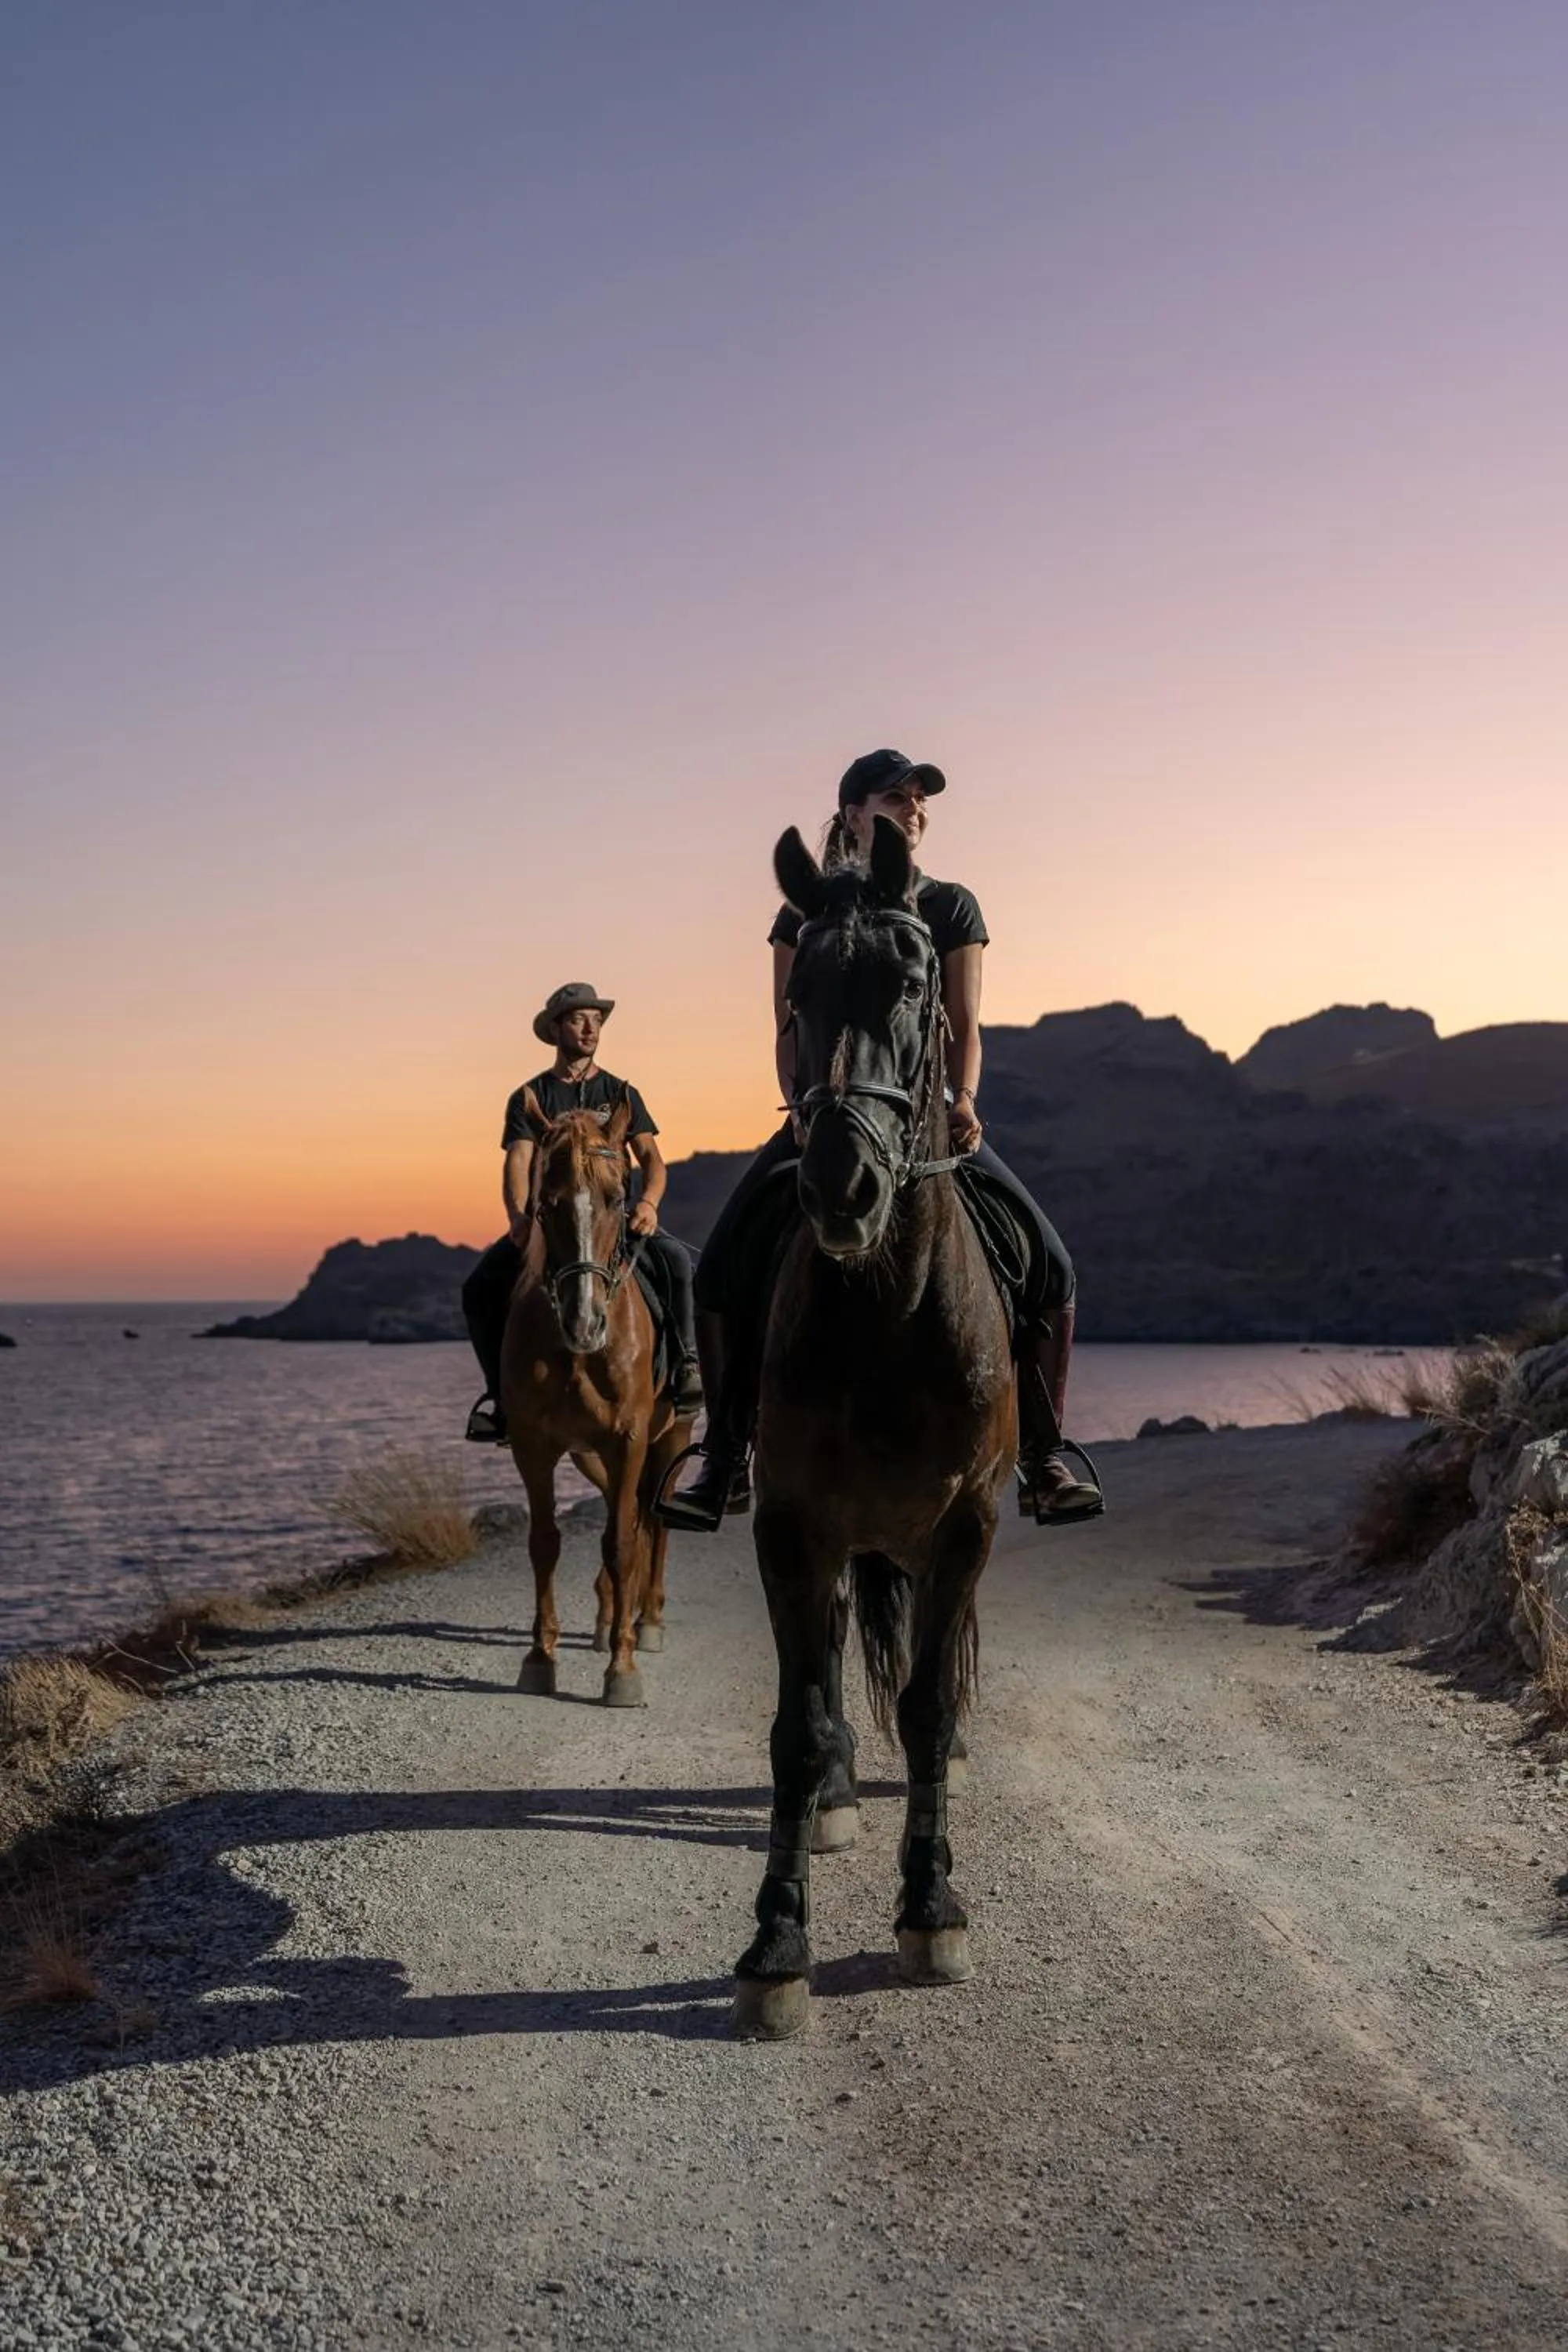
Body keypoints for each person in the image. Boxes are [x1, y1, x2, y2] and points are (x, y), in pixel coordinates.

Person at [657, 748, 1104, 1533]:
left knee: (1052, 1267)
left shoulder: (950, 906)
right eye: (896, 797)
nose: (914, 808)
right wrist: (801, 1108)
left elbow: (964, 1024)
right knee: (719, 1265)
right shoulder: (802, 912)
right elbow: (788, 1028)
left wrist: (964, 1100)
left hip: (928, 1118)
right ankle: (723, 1456)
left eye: (919, 799)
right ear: (853, 813)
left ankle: (1042, 1455)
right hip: (825, 1116)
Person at [461, 981, 702, 1443]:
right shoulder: (531, 1095)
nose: (590, 1030)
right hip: (552, 1227)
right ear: (556, 1029)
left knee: (676, 1263)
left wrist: (648, 1203)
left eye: (596, 1021)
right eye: (578, 1020)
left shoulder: (621, 1092)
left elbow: (652, 1160)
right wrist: (518, 1216)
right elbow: (518, 1161)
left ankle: (686, 1367)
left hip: (613, 1221)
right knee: (478, 1289)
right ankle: (500, 1399)